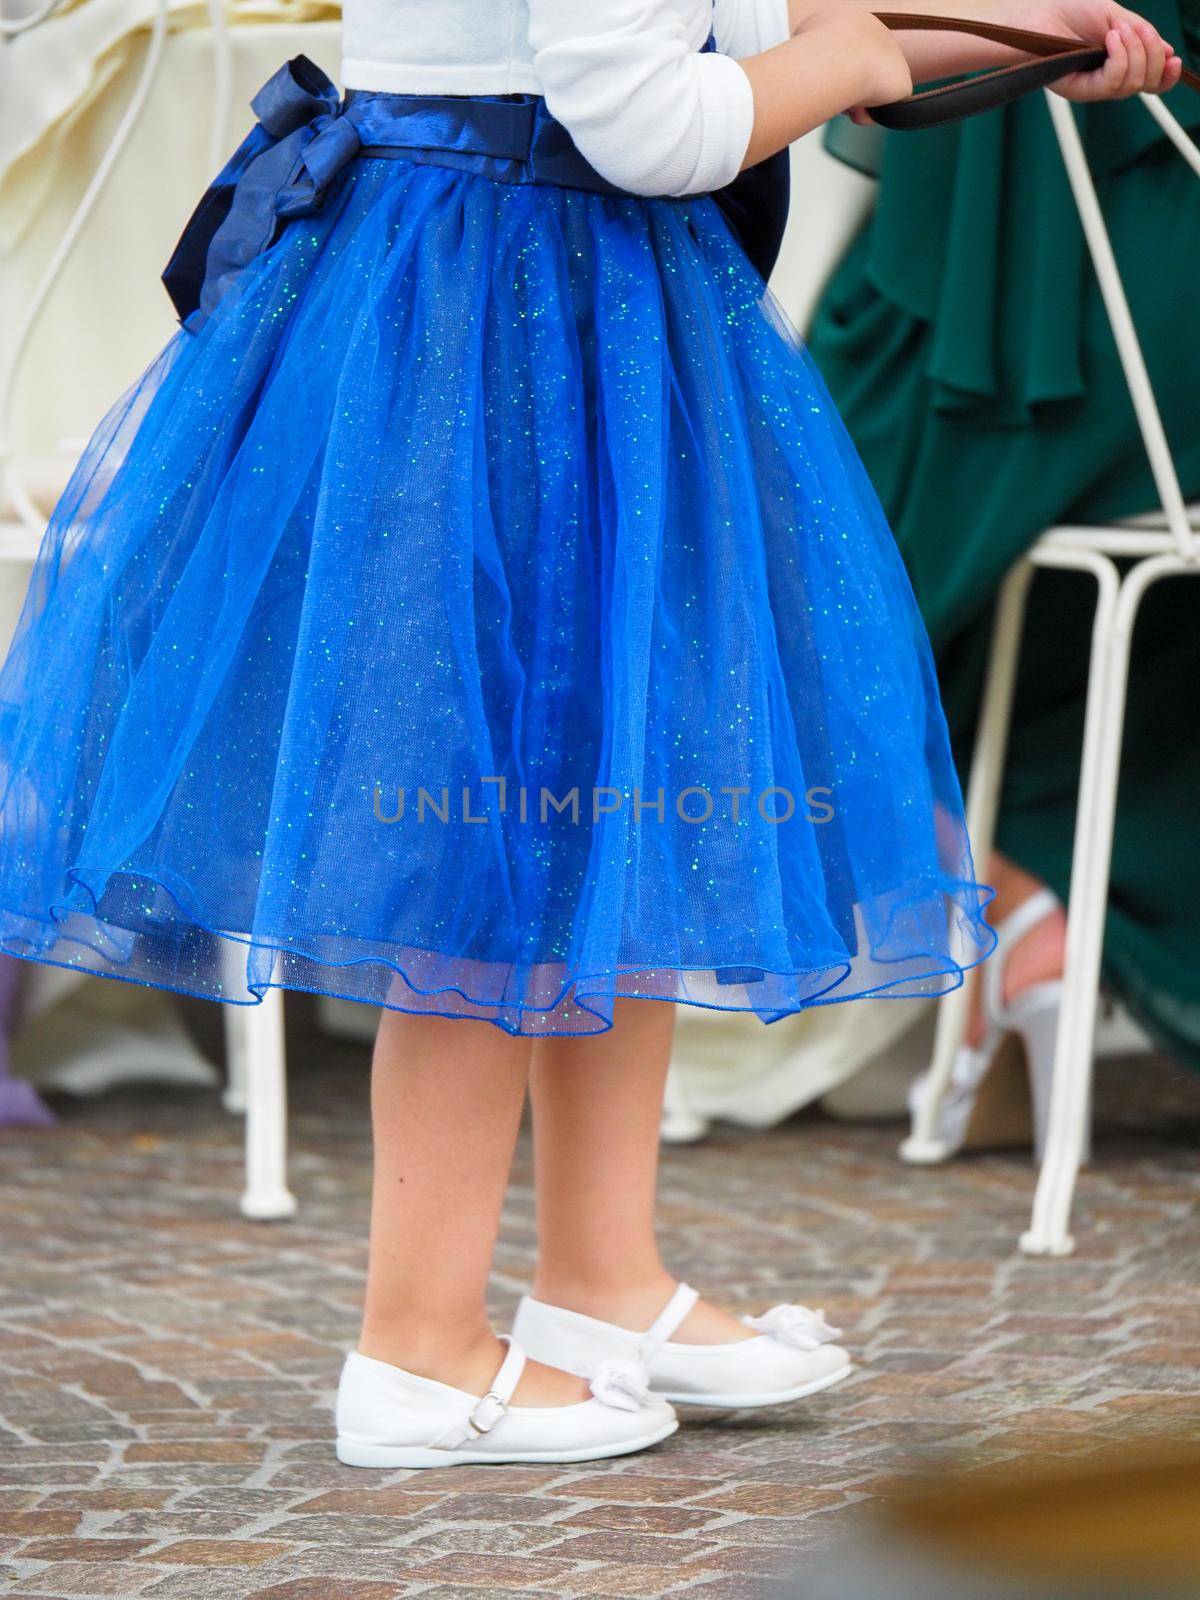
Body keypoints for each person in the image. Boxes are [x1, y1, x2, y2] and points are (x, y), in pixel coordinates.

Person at [0, 0, 1177, 1468]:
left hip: (564, 297)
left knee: (610, 797)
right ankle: (416, 1348)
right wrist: (858, 66)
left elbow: (719, 19)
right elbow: (648, 118)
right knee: (486, 838)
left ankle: (601, 1285)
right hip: (506, 311)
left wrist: (995, 28)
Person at [808, 0, 1200, 1152]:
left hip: (1070, 262)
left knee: (761, 543)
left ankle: (1015, 911)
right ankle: (1027, 903)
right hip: (1154, 277)